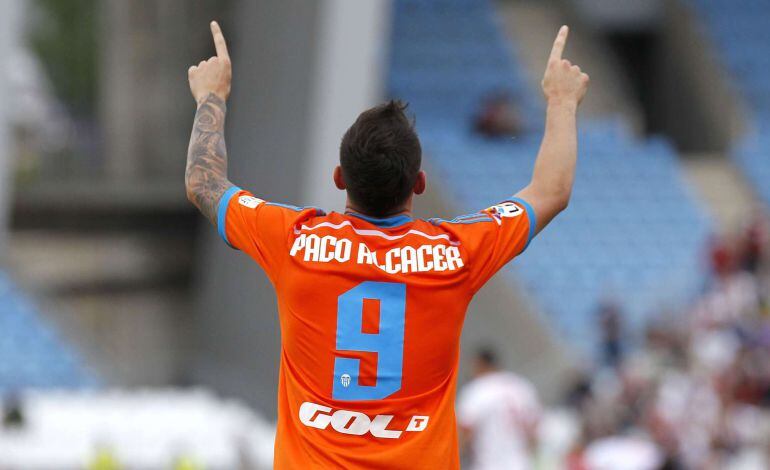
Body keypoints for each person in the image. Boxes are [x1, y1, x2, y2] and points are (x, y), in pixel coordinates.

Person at [186, 22, 588, 469]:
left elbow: (204, 183)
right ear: (418, 183)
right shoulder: (455, 253)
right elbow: (550, 192)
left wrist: (212, 96)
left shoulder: (294, 242)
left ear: (339, 178)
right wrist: (561, 101)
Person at [457, 349, 541, 470]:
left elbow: (464, 430)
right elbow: (534, 428)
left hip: (487, 464)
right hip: (521, 464)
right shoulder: (522, 386)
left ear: (480, 364)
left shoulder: (478, 389)